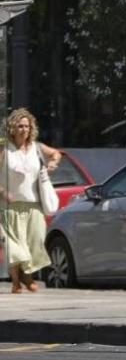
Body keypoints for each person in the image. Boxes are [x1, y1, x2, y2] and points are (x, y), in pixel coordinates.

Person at [2, 108, 63, 294]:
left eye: (26, 126)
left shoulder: (36, 147)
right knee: (15, 246)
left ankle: (27, 276)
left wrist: (53, 163)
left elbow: (56, 153)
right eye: (20, 126)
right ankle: (17, 282)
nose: (23, 129)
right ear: (12, 127)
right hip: (9, 206)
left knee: (35, 242)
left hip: (34, 204)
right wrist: (3, 192)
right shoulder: (4, 147)